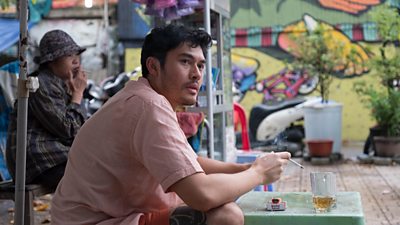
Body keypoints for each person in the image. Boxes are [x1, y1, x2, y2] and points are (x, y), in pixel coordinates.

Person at [50, 24, 290, 225]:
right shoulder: (149, 106)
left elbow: (188, 162)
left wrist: (243, 170)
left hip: (108, 216)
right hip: (97, 222)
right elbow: (202, 195)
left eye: (201, 65)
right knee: (225, 216)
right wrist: (259, 173)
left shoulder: (145, 98)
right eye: (186, 62)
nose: (197, 74)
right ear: (154, 67)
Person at [5, 29, 88, 190]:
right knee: (92, 175)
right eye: (69, 56)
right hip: (37, 160)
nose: (76, 61)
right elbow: (68, 130)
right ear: (51, 61)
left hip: (55, 156)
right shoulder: (41, 84)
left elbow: (79, 131)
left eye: (77, 55)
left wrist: (76, 94)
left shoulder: (62, 85)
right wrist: (78, 94)